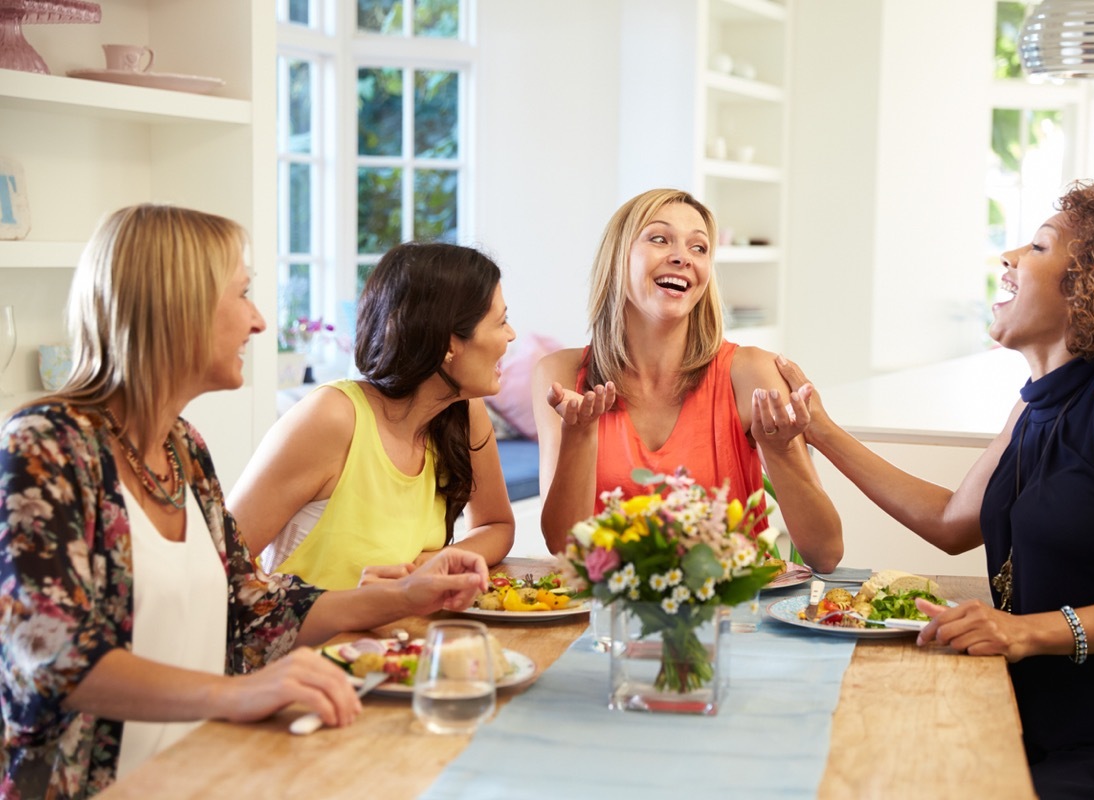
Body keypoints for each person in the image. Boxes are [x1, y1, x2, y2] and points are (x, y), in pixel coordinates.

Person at [0, 205, 490, 798]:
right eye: (244, 294)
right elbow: (51, 657)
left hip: (205, 772)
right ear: (177, 306)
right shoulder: (45, 447)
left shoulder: (183, 448)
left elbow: (251, 606)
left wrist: (404, 595)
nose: (258, 321)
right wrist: (238, 694)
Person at [776, 180, 1094, 798]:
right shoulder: (1032, 409)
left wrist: (1029, 631)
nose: (1009, 259)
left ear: (1089, 288)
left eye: (1037, 246)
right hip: (1035, 721)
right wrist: (818, 429)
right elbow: (951, 523)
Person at [532, 188, 842, 572]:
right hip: (612, 616)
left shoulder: (751, 374)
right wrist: (578, 436)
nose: (682, 257)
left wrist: (779, 452)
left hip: (733, 617)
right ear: (617, 259)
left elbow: (825, 552)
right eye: (659, 239)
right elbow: (563, 547)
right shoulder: (561, 376)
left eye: (699, 248)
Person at [228, 242, 517, 590]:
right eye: (501, 322)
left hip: (396, 640)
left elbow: (497, 525)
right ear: (449, 344)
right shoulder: (332, 418)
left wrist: (435, 564)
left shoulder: (463, 411)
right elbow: (221, 566)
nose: (511, 335)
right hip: (309, 644)